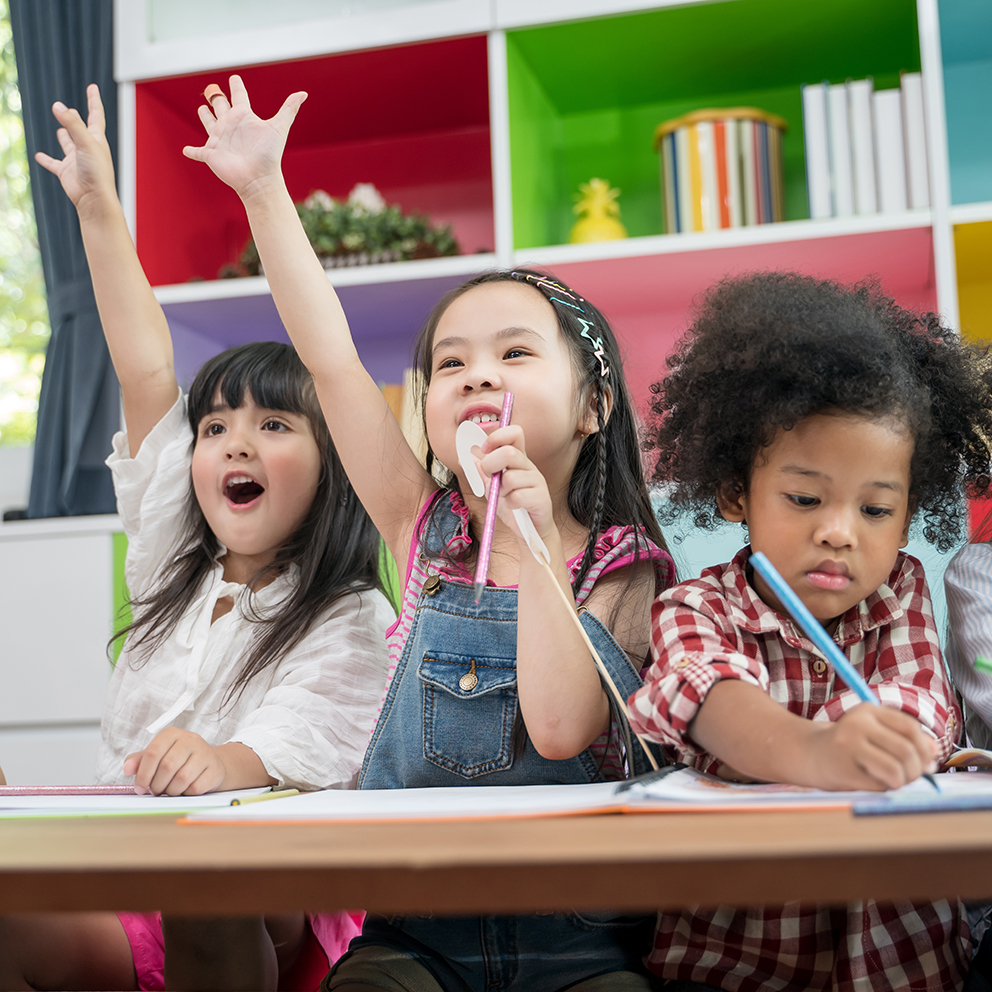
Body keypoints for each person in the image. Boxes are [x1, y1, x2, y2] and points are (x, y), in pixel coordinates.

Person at [184, 75, 674, 992]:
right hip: (417, 937)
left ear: (594, 405)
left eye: (515, 354)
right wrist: (262, 192)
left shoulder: (626, 566)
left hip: (581, 941)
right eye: (452, 364)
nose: (477, 376)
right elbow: (329, 356)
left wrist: (528, 541)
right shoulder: (423, 526)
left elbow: (564, 727)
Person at [0, 85, 395, 992]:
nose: (235, 444)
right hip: (130, 874)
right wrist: (98, 209)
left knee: (210, 885)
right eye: (215, 429)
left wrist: (222, 762)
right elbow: (145, 366)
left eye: (274, 427)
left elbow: (295, 748)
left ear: (334, 467)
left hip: (271, 894)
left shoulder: (348, 615)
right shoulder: (174, 556)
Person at [628, 271, 992, 992]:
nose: (837, 532)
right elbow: (709, 699)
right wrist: (818, 749)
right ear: (737, 490)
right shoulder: (694, 605)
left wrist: (895, 737)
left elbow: (921, 707)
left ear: (911, 512)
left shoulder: (904, 589)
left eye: (876, 510)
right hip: (732, 966)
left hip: (906, 965)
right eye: (804, 498)